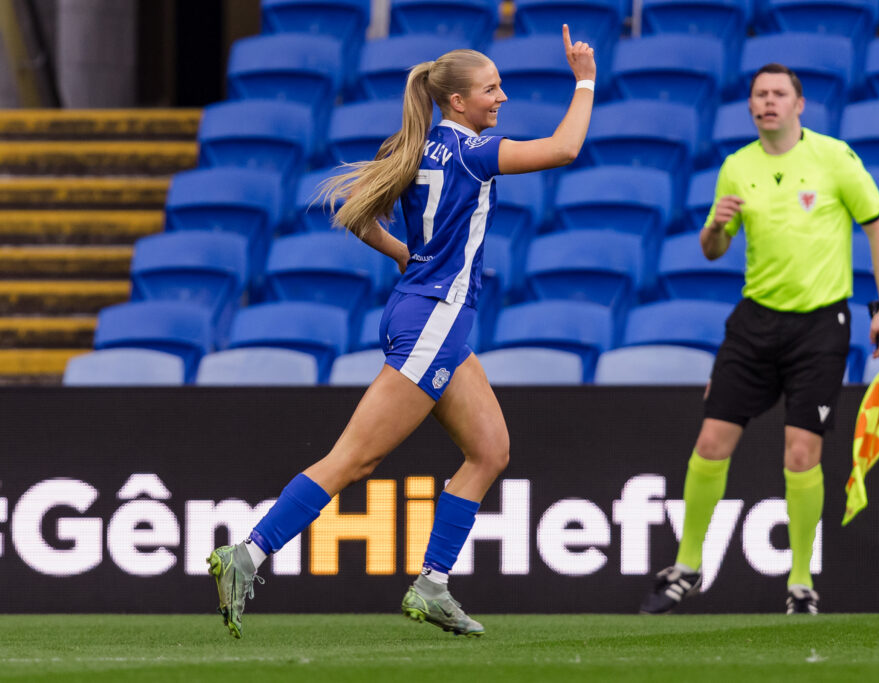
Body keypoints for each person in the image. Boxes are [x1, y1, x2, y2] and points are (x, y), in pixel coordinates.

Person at [205, 25, 596, 639]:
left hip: (423, 312)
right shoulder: (471, 151)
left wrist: (402, 255)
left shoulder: (415, 146)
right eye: (491, 90)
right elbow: (566, 149)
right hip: (435, 319)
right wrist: (585, 78)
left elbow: (351, 211)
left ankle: (433, 585)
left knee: (490, 450)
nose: (502, 98)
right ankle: (247, 554)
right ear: (457, 102)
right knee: (355, 459)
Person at [639, 63, 879, 616]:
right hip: (754, 323)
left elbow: (878, 228)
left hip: (821, 326)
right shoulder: (737, 167)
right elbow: (713, 248)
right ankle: (687, 567)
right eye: (760, 94)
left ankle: (800, 584)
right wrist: (714, 226)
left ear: (799, 104)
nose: (769, 102)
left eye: (780, 93)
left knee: (801, 452)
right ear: (751, 106)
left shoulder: (835, 158)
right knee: (710, 443)